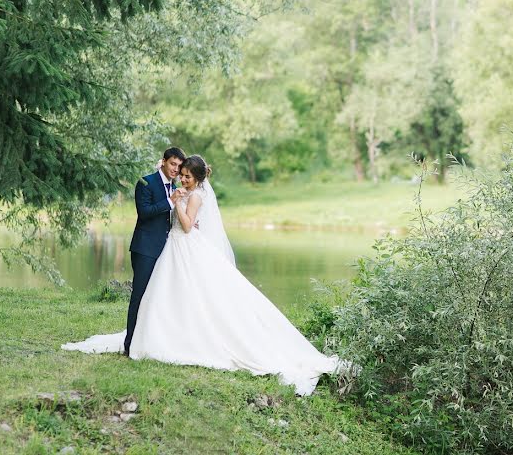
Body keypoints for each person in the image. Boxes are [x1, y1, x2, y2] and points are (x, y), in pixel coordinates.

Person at [63, 155, 339, 396]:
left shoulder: (194, 195)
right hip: (176, 249)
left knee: (189, 294)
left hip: (184, 246)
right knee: (171, 295)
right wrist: (178, 203)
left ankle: (180, 338)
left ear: (197, 178)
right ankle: (163, 333)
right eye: (180, 175)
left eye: (186, 176)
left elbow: (185, 226)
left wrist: (179, 206)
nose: (182, 180)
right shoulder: (188, 192)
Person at [124, 146, 186, 356]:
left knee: (159, 297)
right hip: (145, 249)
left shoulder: (175, 186)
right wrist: (170, 201)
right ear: (163, 161)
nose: (176, 169)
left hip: (167, 250)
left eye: (179, 166)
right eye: (172, 164)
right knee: (139, 296)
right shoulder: (146, 182)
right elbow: (145, 213)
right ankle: (130, 345)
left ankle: (150, 342)